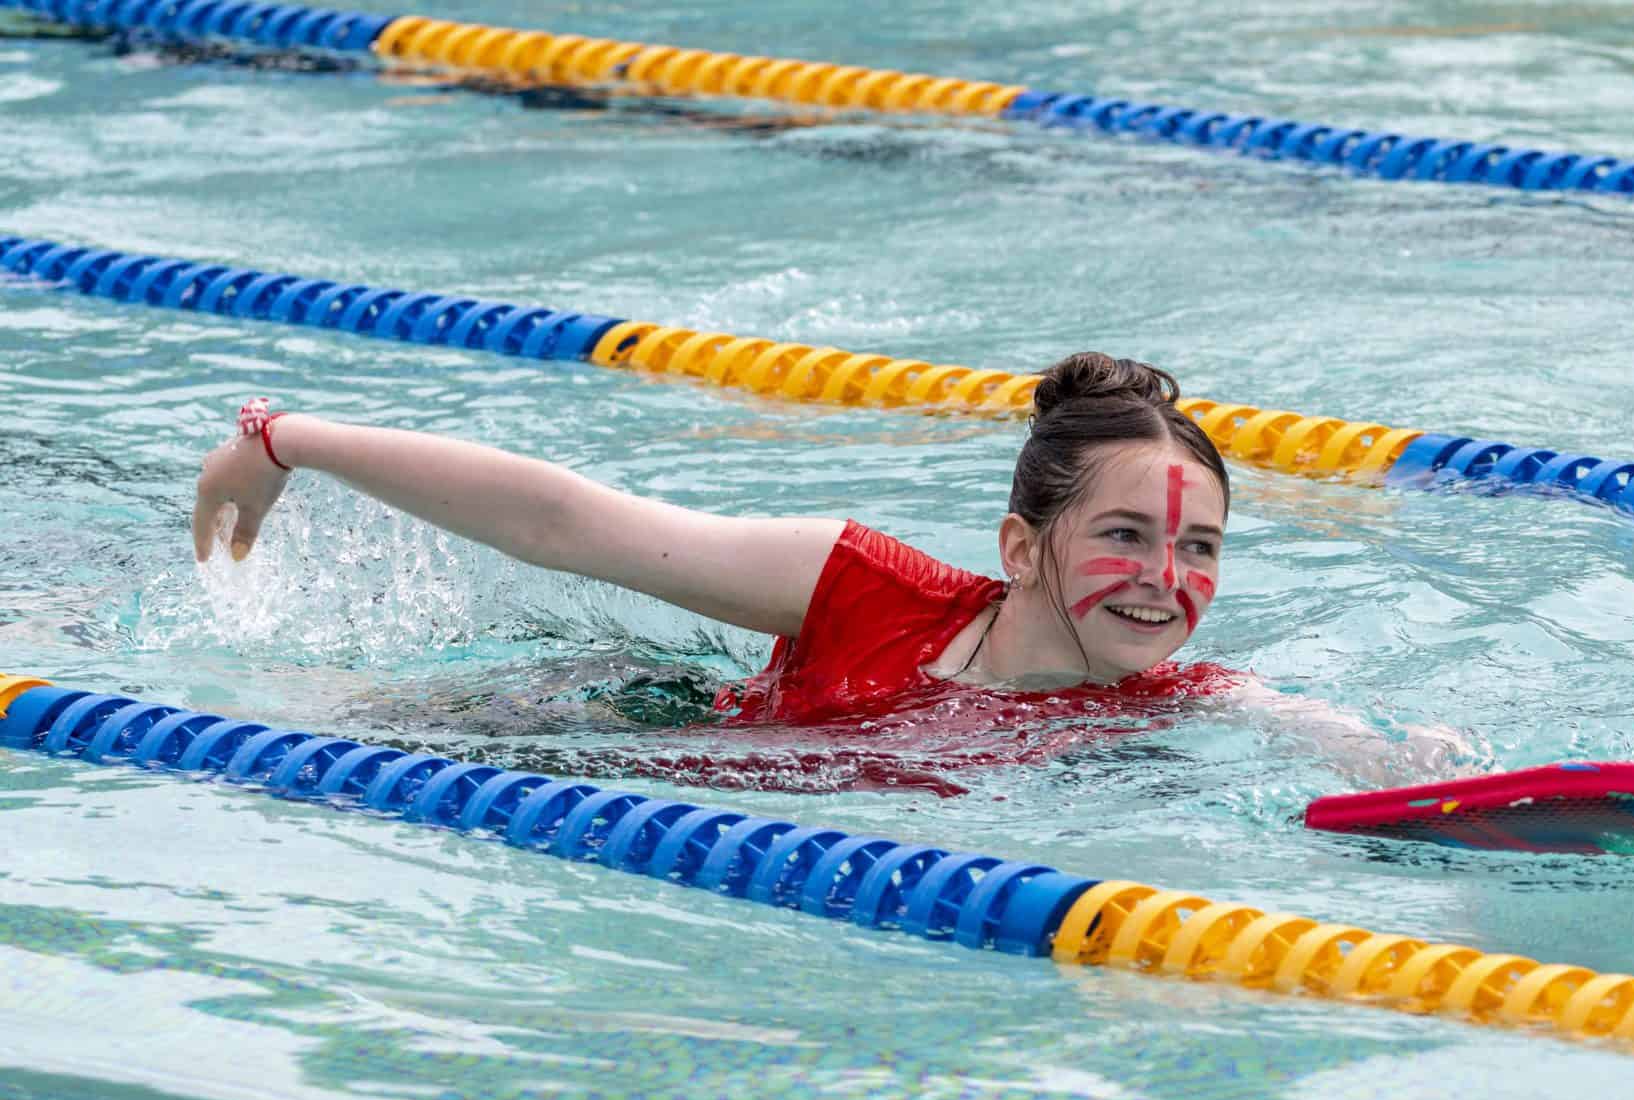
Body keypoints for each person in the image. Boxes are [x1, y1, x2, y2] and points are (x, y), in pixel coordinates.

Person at [193, 352, 1478, 782]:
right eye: (1126, 534)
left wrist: (1424, 762)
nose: (1165, 578)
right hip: (581, 732)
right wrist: (284, 441)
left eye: (1198, 546)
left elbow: (1334, 742)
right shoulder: (857, 586)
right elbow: (574, 523)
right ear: (1022, 548)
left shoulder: (1173, 706)